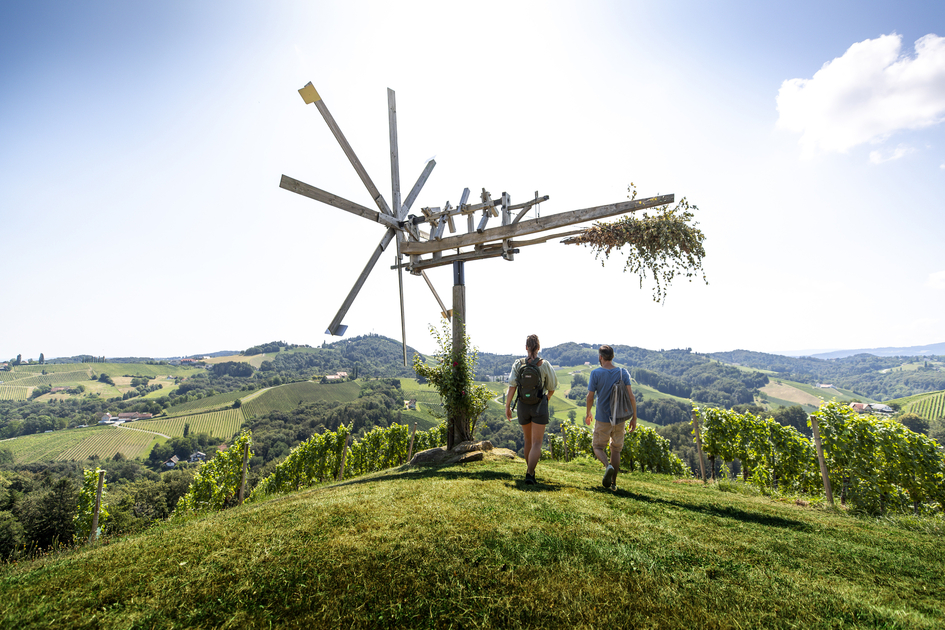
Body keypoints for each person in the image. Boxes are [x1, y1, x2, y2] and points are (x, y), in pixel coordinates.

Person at [505, 334, 558, 485]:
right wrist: (545, 399)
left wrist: (508, 406)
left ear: (526, 347)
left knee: (528, 440)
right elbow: (552, 387)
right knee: (537, 443)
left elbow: (512, 386)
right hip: (539, 406)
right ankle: (530, 473)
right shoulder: (545, 365)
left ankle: (530, 473)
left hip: (522, 405)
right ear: (539, 347)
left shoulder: (518, 364)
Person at [584, 344, 637, 491]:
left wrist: (588, 412)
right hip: (620, 417)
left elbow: (590, 396)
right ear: (612, 357)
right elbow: (631, 397)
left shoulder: (595, 373)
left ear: (600, 357)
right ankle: (613, 484)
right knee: (616, 449)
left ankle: (608, 466)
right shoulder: (622, 372)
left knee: (597, 446)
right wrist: (634, 418)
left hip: (602, 418)